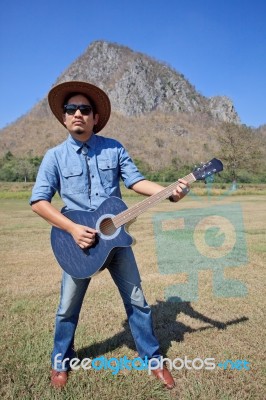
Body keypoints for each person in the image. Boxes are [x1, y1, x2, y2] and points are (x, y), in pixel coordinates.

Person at [30, 81, 189, 390]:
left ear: (95, 117)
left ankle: (153, 359)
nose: (78, 113)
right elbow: (39, 202)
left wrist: (170, 193)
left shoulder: (114, 148)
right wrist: (74, 229)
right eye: (70, 109)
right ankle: (61, 362)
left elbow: (136, 181)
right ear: (64, 118)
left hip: (116, 243)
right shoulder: (54, 157)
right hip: (79, 247)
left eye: (85, 109)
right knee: (67, 308)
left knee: (139, 302)